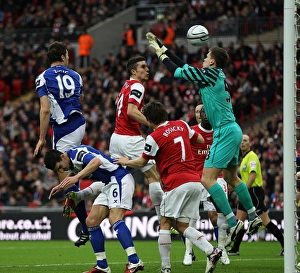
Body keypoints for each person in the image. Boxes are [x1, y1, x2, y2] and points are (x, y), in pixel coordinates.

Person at [145, 32, 263, 246]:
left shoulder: (209, 74)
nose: (204, 59)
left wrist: (161, 57)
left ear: (213, 61)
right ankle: (254, 218)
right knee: (232, 178)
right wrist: (165, 49)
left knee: (207, 179)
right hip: (234, 128)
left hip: (224, 131)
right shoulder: (214, 75)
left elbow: (179, 71)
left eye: (207, 56)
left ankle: (232, 221)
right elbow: (187, 66)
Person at [115, 101, 222, 273]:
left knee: (164, 223)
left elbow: (142, 162)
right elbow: (201, 139)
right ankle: (212, 251)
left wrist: (126, 161)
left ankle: (165, 268)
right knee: (182, 226)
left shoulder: (153, 137)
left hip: (176, 182)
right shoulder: (182, 124)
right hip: (195, 181)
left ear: (149, 119)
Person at [33, 41, 103, 247]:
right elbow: (78, 97)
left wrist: (41, 137)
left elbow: (45, 110)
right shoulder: (76, 75)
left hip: (64, 129)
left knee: (66, 178)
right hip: (78, 123)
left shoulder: (43, 77)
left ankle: (85, 225)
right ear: (63, 57)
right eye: (67, 54)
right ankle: (88, 187)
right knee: (71, 173)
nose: (69, 57)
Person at [45, 145, 144, 273]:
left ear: (63, 156)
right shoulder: (70, 162)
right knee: (91, 221)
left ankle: (135, 261)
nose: (62, 170)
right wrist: (61, 184)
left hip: (119, 179)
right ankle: (102, 265)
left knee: (114, 219)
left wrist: (76, 178)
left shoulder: (77, 154)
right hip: (107, 183)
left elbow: (96, 161)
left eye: (60, 166)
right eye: (58, 170)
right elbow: (76, 170)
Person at [109, 56, 178, 236]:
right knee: (153, 174)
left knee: (116, 177)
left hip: (115, 138)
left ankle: (111, 214)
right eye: (142, 67)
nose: (147, 70)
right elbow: (131, 111)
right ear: (133, 71)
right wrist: (152, 124)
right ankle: (162, 219)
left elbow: (123, 108)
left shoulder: (125, 86)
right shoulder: (137, 86)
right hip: (129, 138)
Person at [182, 104, 230, 266]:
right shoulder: (192, 131)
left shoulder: (220, 131)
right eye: (201, 112)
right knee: (192, 215)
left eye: (207, 111)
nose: (204, 114)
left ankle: (222, 249)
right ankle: (188, 250)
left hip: (217, 176)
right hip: (196, 177)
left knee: (218, 214)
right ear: (199, 115)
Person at [227, 134, 284, 256]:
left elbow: (252, 176)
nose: (243, 143)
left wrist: (243, 190)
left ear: (250, 144)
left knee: (265, 222)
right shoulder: (244, 158)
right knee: (240, 221)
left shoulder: (252, 156)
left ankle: (286, 245)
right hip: (247, 192)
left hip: (253, 192)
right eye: (241, 141)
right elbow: (244, 176)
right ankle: (235, 248)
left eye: (246, 141)